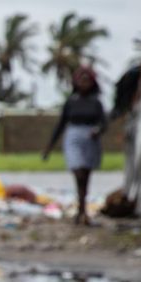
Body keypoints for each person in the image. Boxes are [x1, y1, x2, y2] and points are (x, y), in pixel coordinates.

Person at [43, 66, 107, 225]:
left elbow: (104, 123)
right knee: (78, 171)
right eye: (81, 80)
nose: (84, 83)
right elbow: (60, 125)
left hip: (90, 139)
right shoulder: (71, 102)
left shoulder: (96, 103)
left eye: (87, 80)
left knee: (86, 174)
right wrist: (49, 147)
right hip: (73, 137)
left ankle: (82, 211)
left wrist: (97, 131)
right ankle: (81, 209)